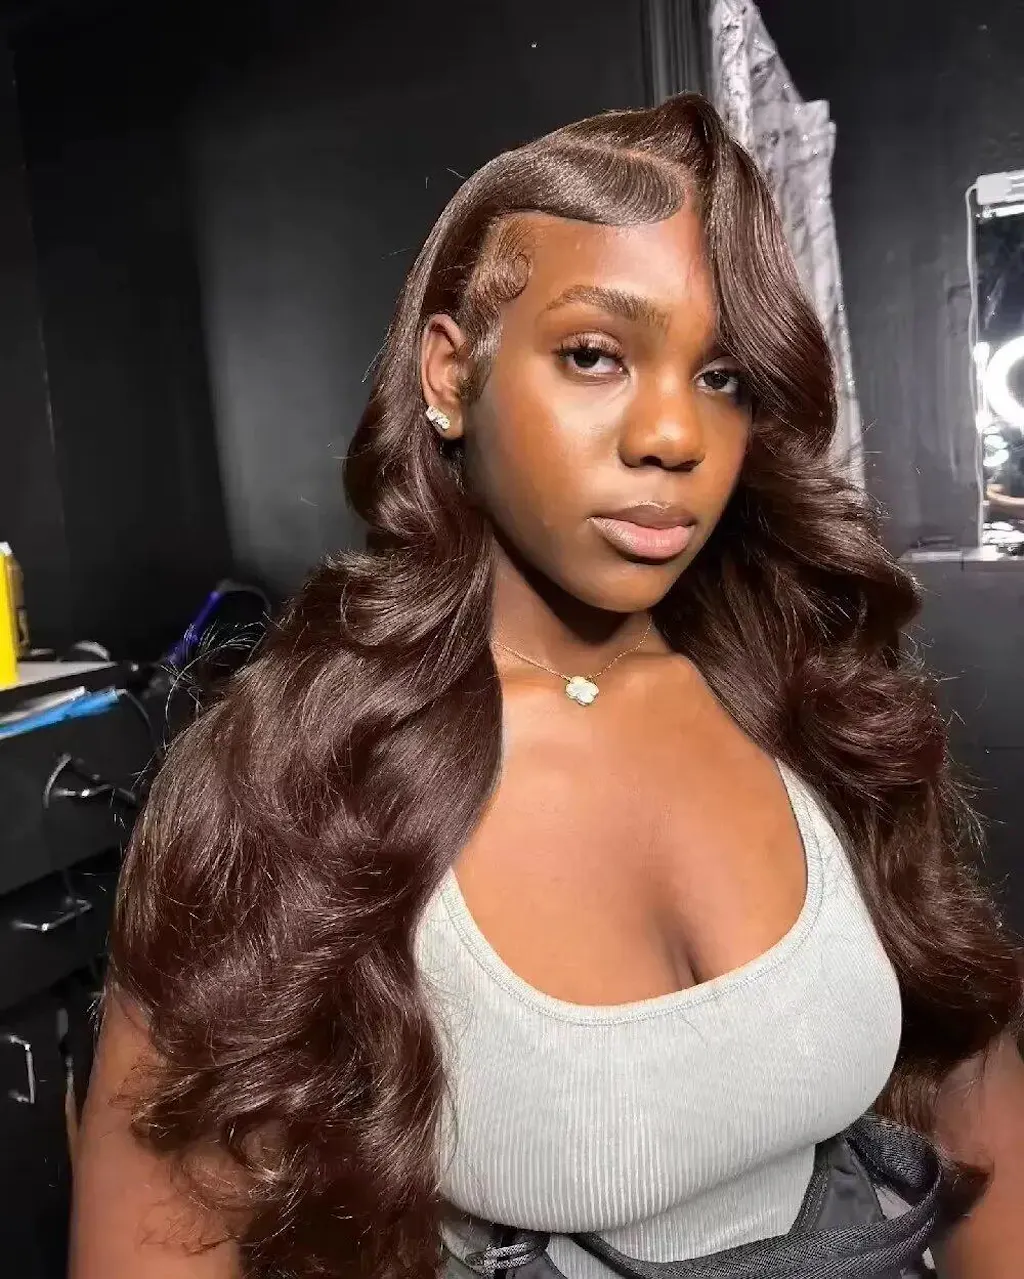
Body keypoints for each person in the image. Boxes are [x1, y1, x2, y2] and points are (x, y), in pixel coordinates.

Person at [69, 93, 1024, 1279]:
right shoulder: (295, 781)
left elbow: (976, 1112)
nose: (673, 433)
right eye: (594, 355)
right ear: (449, 371)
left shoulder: (810, 703)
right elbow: (165, 1236)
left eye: (722, 375)